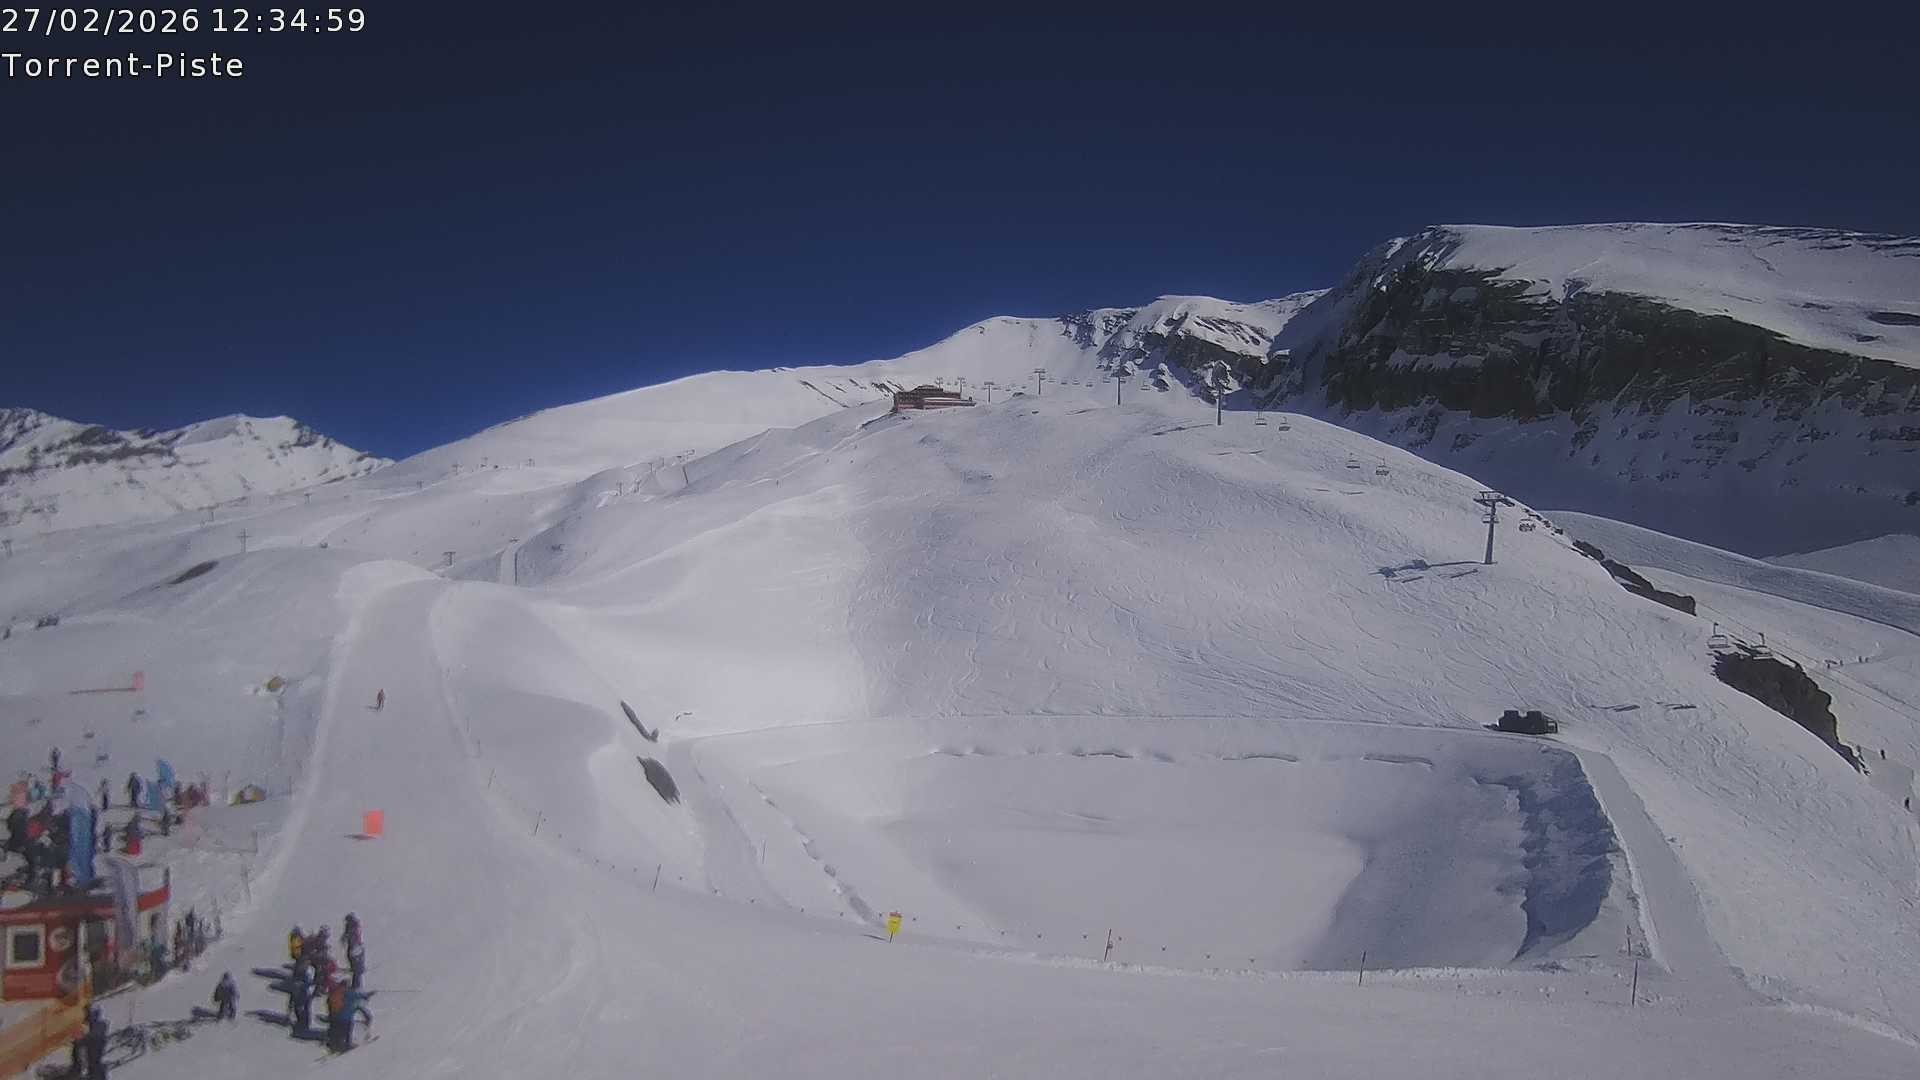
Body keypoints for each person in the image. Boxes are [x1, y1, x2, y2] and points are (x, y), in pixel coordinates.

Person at [81, 1006, 108, 1079]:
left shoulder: (100, 1025)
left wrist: (82, 1040)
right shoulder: (101, 1024)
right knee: (94, 1064)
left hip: (95, 1049)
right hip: (95, 1049)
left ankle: (96, 1076)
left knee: (94, 1064)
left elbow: (92, 1036)